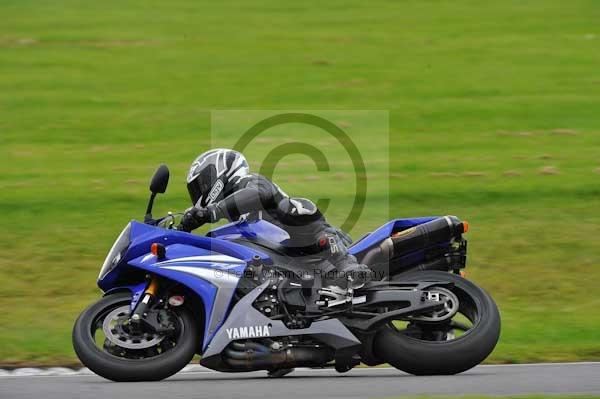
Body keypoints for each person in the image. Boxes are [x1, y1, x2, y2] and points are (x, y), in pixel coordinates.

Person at [179, 148, 372, 289]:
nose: (199, 193)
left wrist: (211, 211)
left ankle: (346, 263)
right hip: (288, 263)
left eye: (200, 185)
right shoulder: (235, 218)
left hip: (314, 250)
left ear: (218, 174)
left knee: (295, 207)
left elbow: (258, 194)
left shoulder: (249, 182)